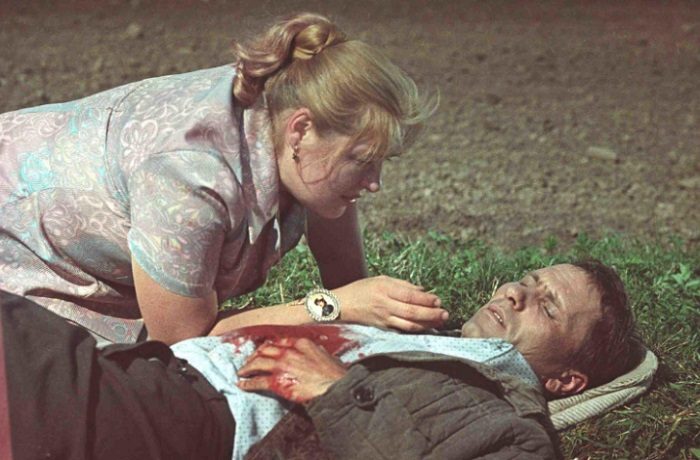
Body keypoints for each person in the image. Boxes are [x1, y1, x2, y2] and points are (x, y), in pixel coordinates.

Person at [0, 12, 443, 345]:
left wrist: (379, 311)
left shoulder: (293, 121)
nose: (375, 182)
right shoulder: (188, 177)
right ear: (301, 130)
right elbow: (180, 343)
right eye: (362, 160)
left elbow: (346, 277)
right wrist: (331, 308)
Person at [0, 260, 637, 460]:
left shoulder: (516, 431)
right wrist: (332, 305)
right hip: (152, 373)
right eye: (528, 280)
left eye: (548, 307)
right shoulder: (422, 334)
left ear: (565, 380)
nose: (515, 293)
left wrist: (339, 395)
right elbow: (199, 331)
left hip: (198, 422)